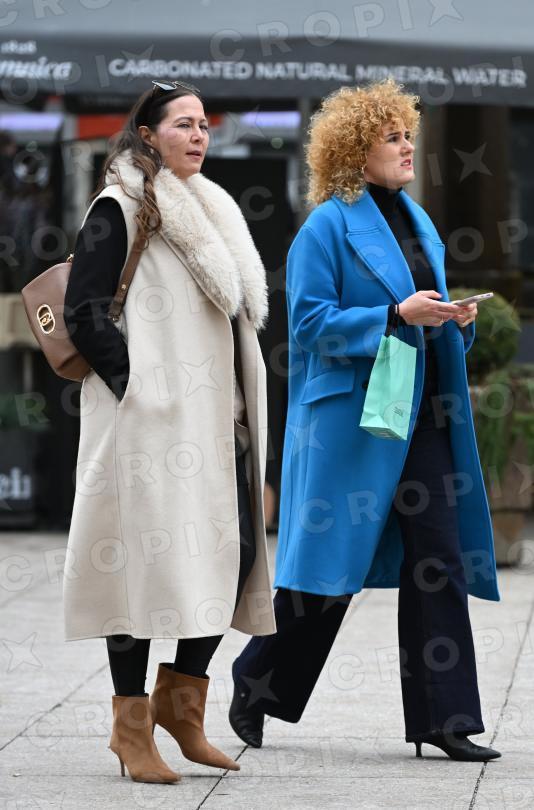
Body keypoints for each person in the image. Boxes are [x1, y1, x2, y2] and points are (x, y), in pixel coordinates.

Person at [230, 79, 501, 762]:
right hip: (354, 421)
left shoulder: (418, 220)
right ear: (356, 151)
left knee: (438, 560)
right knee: (329, 572)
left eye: (408, 135)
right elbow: (308, 325)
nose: (408, 147)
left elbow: (420, 310)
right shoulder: (325, 226)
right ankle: (256, 684)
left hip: (423, 414)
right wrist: (394, 315)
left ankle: (446, 720)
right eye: (392, 138)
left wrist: (452, 320)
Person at [63, 79, 276, 784]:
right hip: (146, 424)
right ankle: (131, 728)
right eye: (183, 124)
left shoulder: (212, 209)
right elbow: (84, 310)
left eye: (204, 125)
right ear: (148, 135)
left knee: (230, 553)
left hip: (213, 423)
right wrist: (140, 387)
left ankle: (181, 710)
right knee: (139, 568)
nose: (198, 135)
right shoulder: (119, 204)